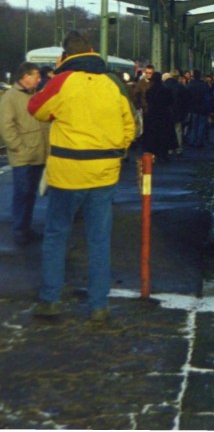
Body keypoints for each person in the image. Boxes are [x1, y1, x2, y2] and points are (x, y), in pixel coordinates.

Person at [27, 30, 136, 324]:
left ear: (65, 56)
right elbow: (130, 125)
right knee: (99, 240)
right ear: (91, 50)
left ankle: (51, 301)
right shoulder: (111, 83)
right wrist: (117, 152)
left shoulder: (63, 81)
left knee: (56, 235)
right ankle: (98, 306)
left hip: (67, 174)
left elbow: (35, 108)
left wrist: (57, 83)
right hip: (104, 174)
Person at [1, 62, 51, 245]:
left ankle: (25, 227)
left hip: (38, 152)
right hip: (23, 155)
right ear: (25, 76)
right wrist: (19, 147)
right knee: (22, 192)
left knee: (30, 193)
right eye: (36, 76)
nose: (39, 79)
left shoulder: (36, 95)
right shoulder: (10, 98)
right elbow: (6, 127)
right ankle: (20, 229)